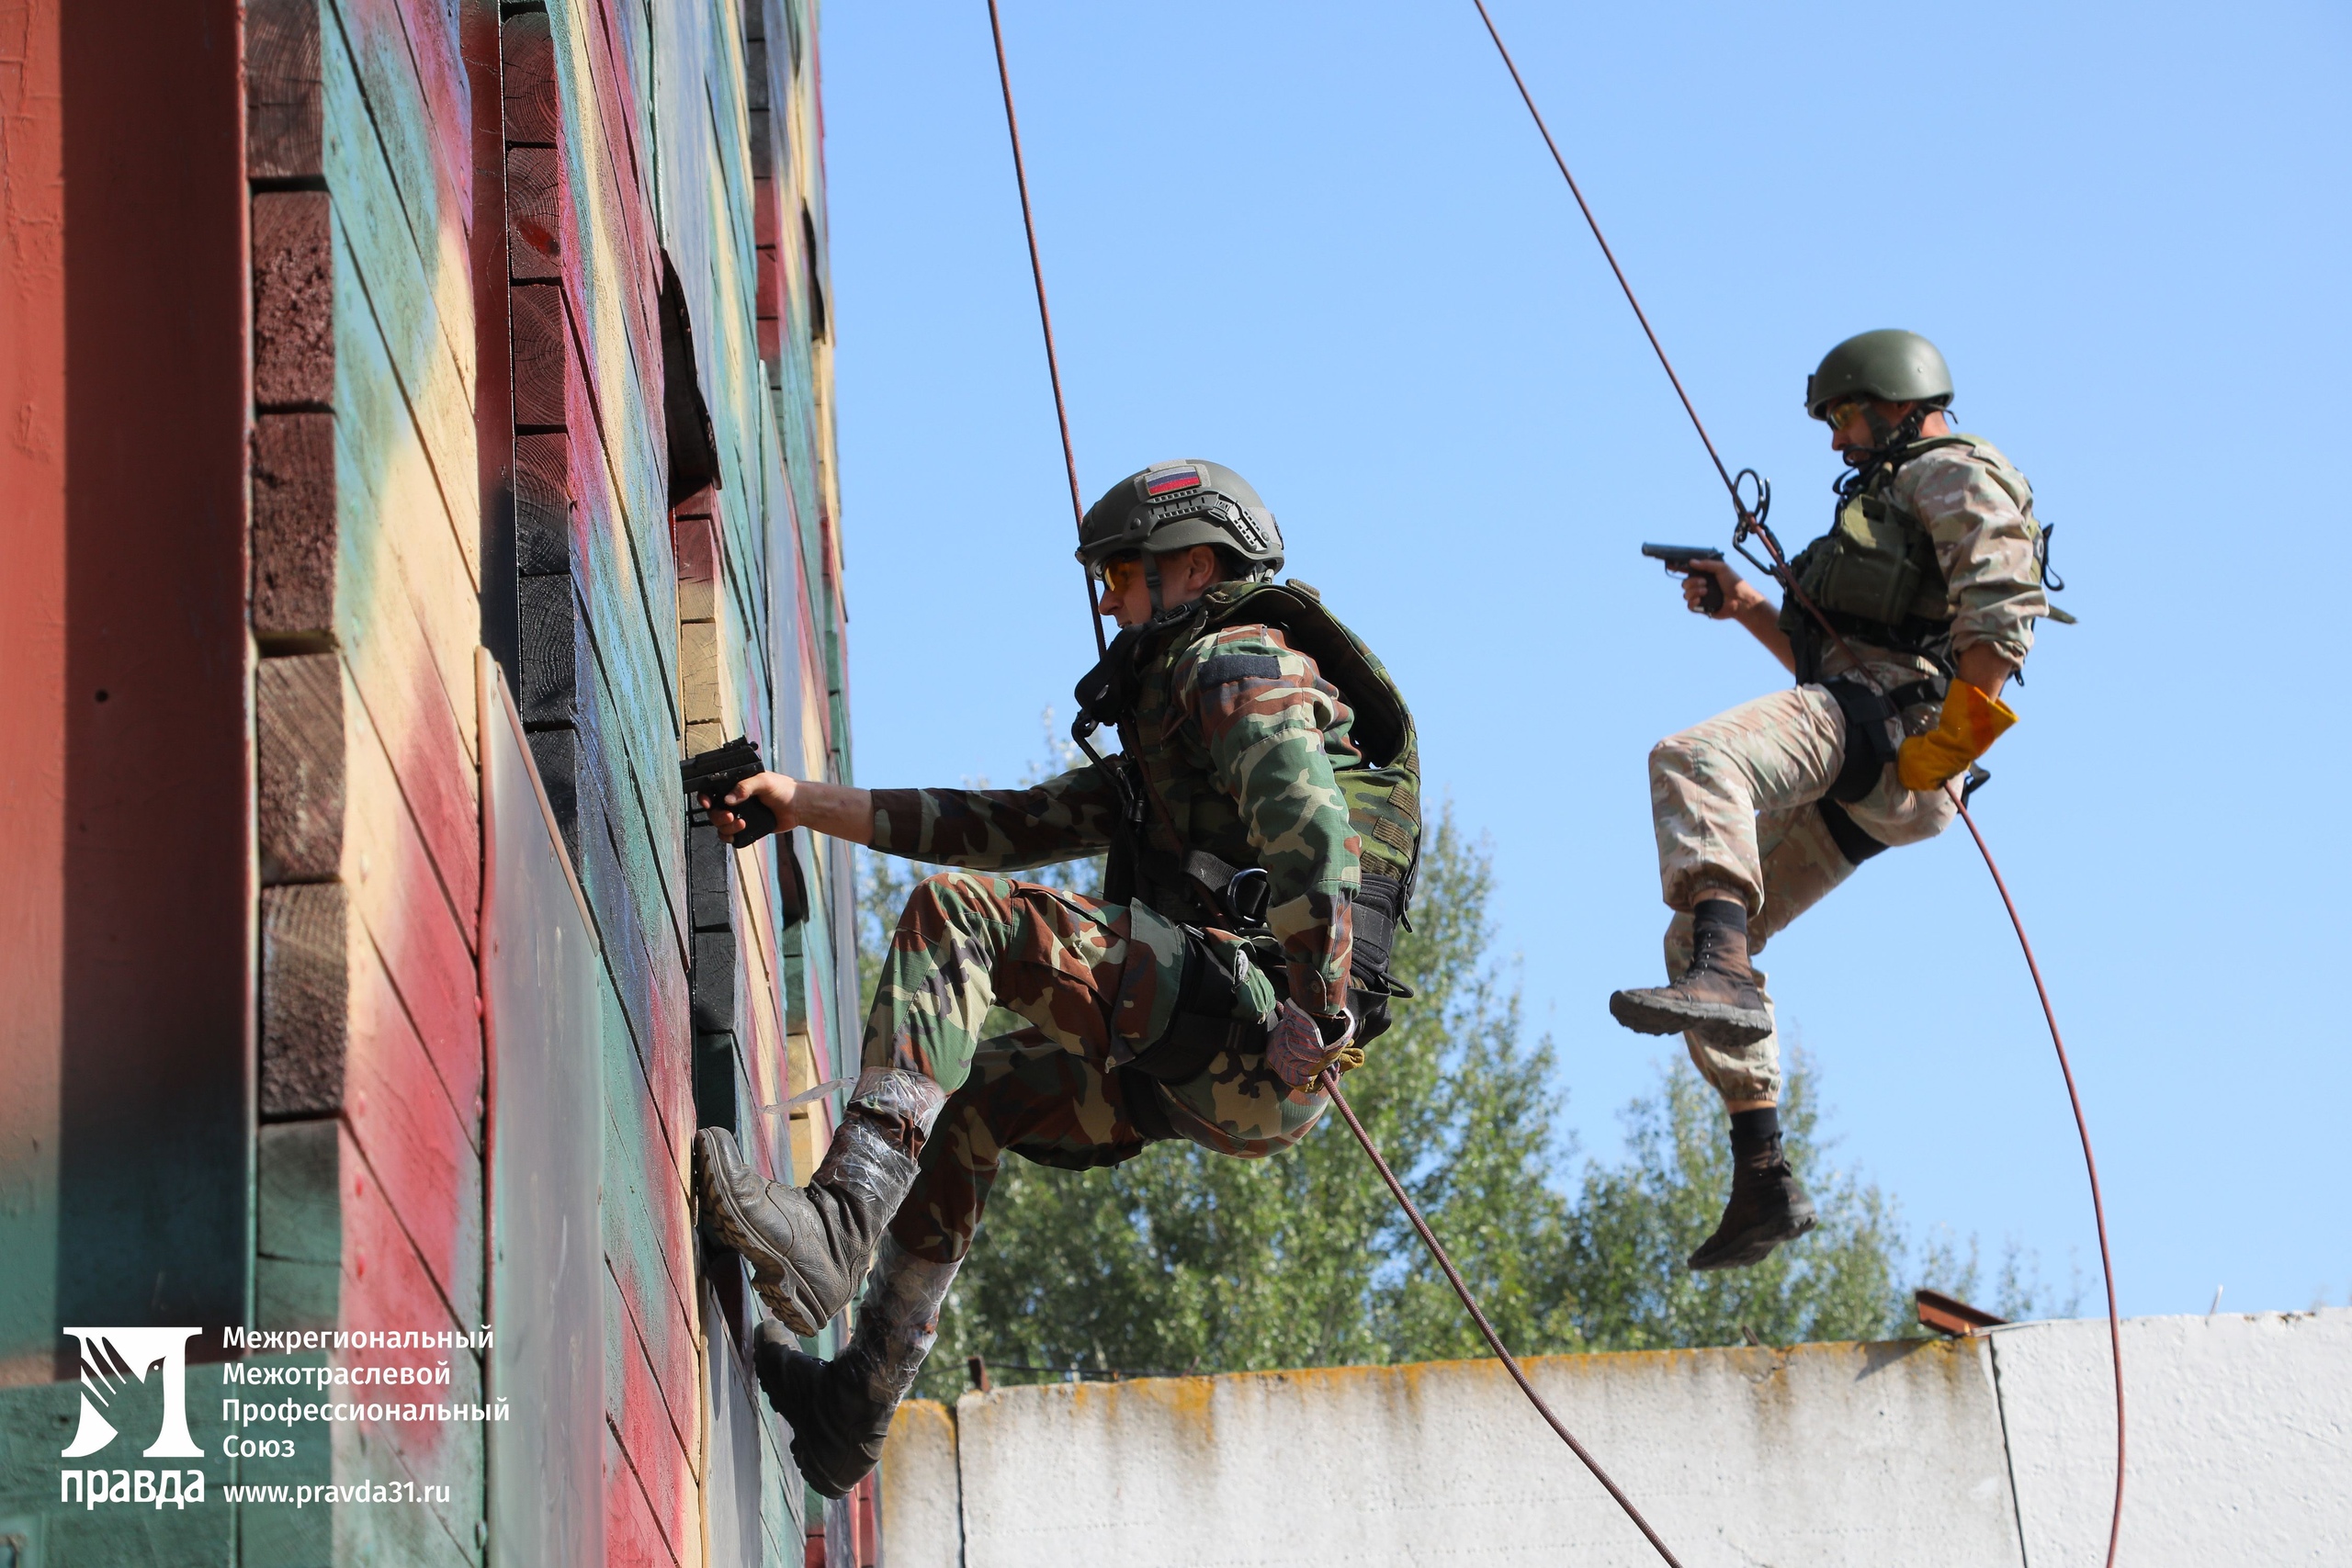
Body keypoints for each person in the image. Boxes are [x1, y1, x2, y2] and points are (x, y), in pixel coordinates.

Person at [692, 460, 1421, 1493]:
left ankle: (835, 1228)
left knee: (958, 919)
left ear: (1195, 565)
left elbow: (1309, 837)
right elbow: (1003, 825)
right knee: (966, 1096)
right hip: (1218, 1046)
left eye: (1123, 573)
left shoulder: (1237, 664)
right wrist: (799, 802)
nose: (1107, 599)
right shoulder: (1167, 739)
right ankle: (852, 1408)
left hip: (1259, 1028)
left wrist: (1317, 1005)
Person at [1609, 330, 2062, 1270]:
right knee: (1693, 937)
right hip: (1878, 753)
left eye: (1843, 418)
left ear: (1895, 403)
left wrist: (1964, 731)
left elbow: (2002, 597)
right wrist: (1742, 604)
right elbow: (1827, 660)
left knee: (1692, 760)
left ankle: (1724, 978)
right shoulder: (1891, 491)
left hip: (1899, 738)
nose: (1835, 442)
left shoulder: (1950, 469)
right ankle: (1763, 1173)